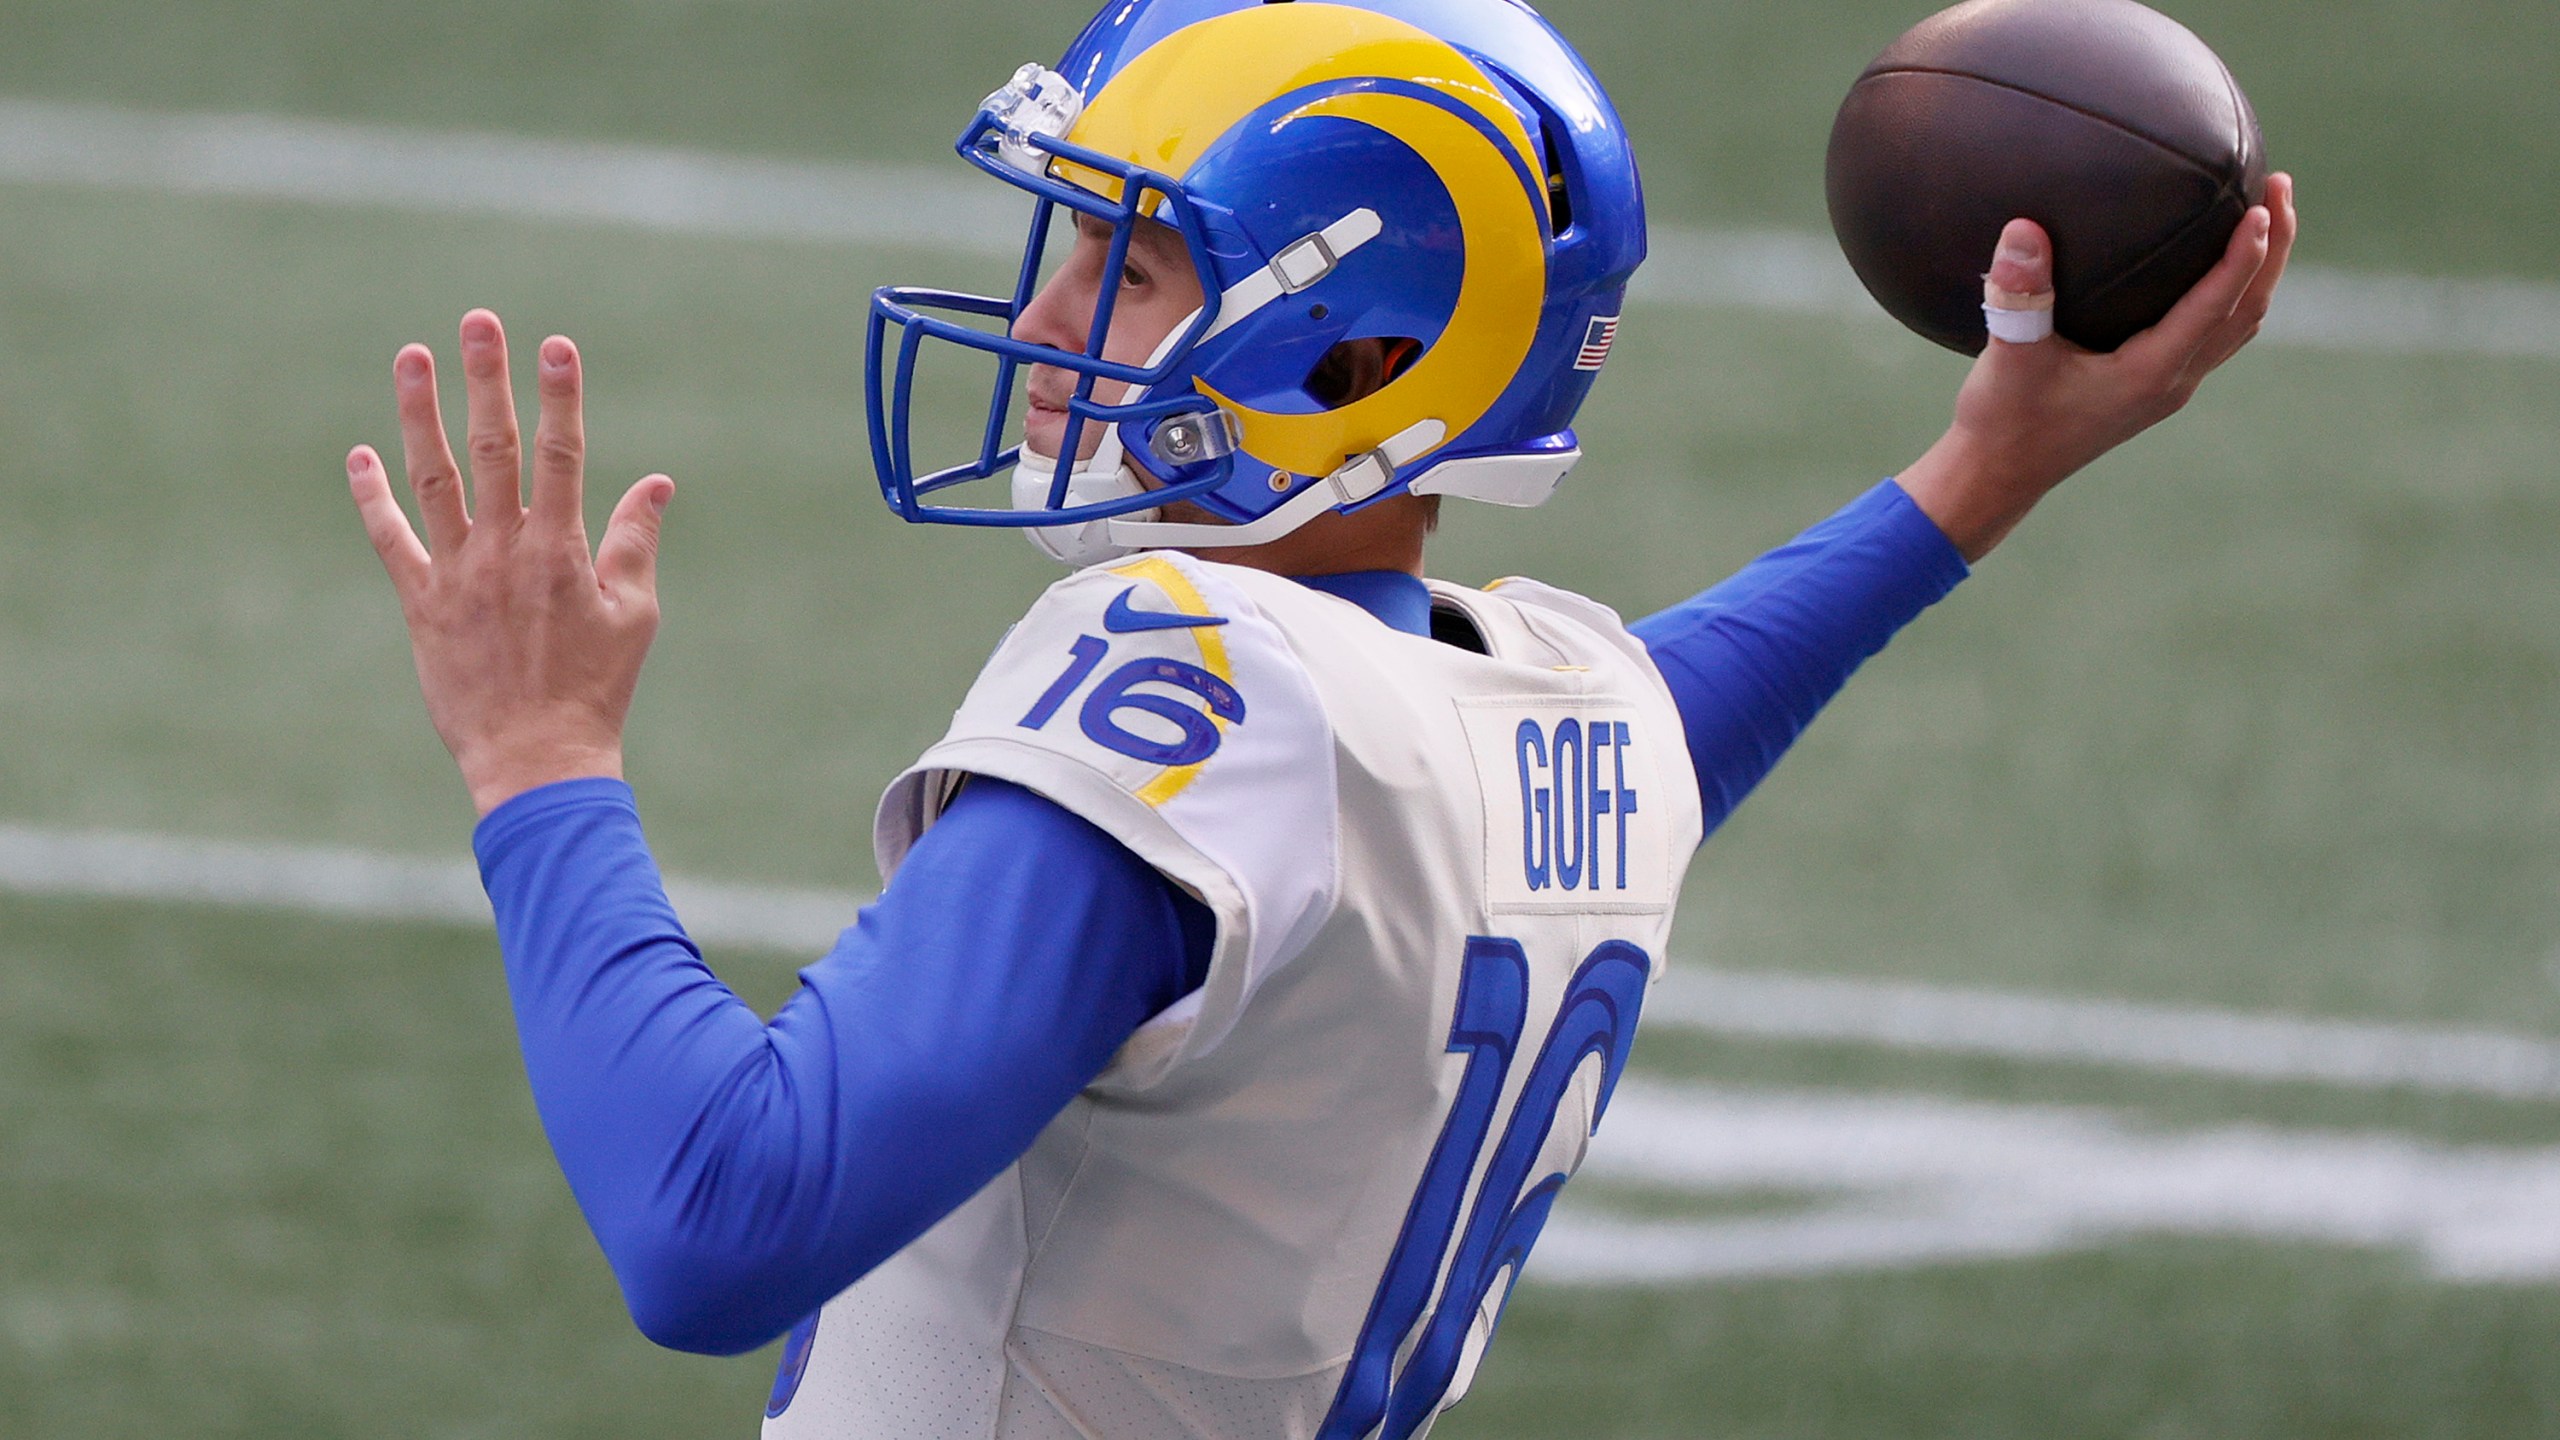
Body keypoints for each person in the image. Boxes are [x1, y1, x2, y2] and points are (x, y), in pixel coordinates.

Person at [343, 1, 2296, 1435]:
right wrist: (1973, 479)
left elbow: (720, 1220)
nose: (1039, 328)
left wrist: (542, 765)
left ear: (1362, 346)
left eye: (1127, 263)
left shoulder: (1193, 675)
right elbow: (1671, 706)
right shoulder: (1560, 721)